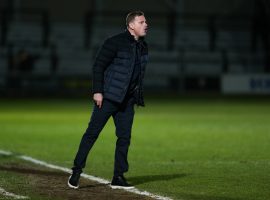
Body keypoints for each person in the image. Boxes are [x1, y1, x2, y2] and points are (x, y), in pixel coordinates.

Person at [68, 11, 148, 189]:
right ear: (131, 25)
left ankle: (118, 176)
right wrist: (98, 91)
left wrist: (136, 96)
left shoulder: (143, 46)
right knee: (91, 134)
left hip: (127, 102)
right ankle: (76, 170)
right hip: (108, 98)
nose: (146, 25)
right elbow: (98, 66)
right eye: (142, 22)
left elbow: (138, 75)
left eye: (145, 22)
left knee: (124, 138)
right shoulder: (114, 42)